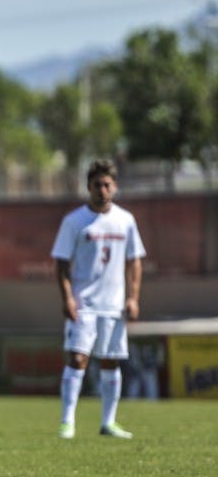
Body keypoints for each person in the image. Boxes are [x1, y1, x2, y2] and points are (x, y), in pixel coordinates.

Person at [52, 158, 146, 439]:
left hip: (114, 305)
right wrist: (67, 298)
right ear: (88, 187)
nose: (102, 190)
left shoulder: (125, 220)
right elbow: (61, 263)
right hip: (84, 304)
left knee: (110, 361)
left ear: (114, 187)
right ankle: (67, 422)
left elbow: (134, 261)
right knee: (78, 358)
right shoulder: (74, 221)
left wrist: (133, 298)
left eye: (107, 184)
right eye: (97, 185)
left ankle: (108, 422)